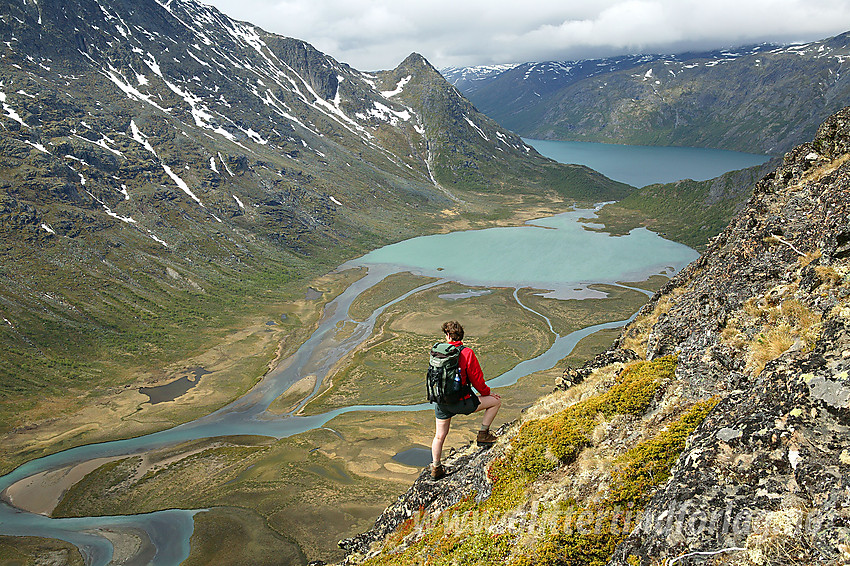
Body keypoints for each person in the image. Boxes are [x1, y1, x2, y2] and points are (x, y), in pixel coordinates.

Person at [431, 320, 502, 480]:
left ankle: (436, 468)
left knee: (439, 436)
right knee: (496, 402)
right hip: (462, 402)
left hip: (441, 402)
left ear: (448, 335)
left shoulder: (438, 352)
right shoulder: (467, 353)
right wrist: (488, 393)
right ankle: (483, 435)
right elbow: (477, 380)